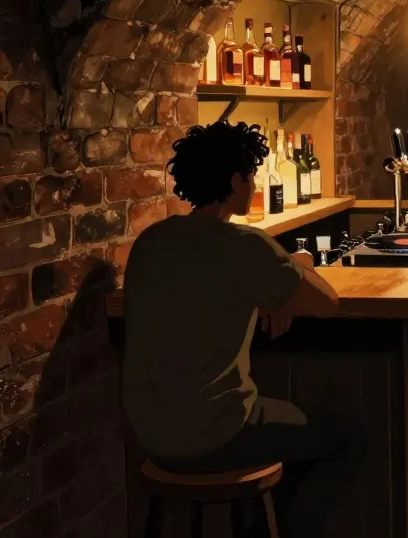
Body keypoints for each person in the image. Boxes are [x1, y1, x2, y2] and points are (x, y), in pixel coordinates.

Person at [122, 121, 360, 537]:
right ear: (234, 181)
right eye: (250, 175)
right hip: (217, 432)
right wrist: (297, 267)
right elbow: (327, 302)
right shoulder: (245, 245)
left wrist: (272, 289)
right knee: (348, 438)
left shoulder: (150, 242)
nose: (253, 185)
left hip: (149, 434)